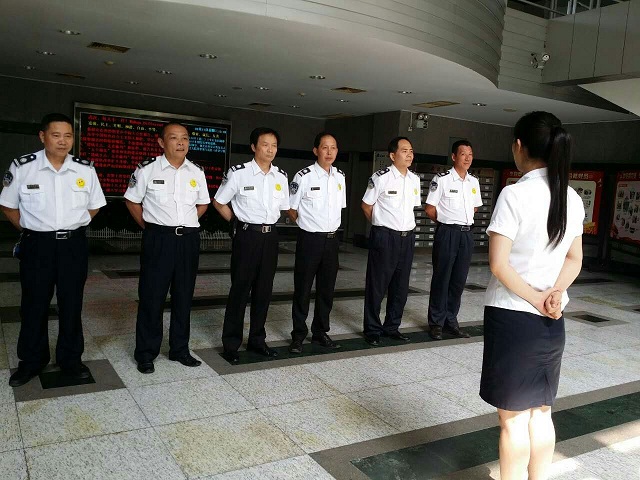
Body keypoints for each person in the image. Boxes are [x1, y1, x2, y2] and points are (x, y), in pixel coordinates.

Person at [480, 111, 584, 480]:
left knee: (512, 419)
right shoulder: (572, 197)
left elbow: (498, 264)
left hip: (513, 317)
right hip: (553, 321)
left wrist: (537, 298)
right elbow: (575, 258)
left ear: (519, 146)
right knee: (541, 412)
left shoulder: (514, 194)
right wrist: (554, 294)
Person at [0, 113, 106, 387]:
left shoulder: (84, 169)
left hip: (73, 245)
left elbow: (94, 206)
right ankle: (31, 361)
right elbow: (8, 206)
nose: (63, 141)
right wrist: (31, 229)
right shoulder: (24, 167)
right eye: (56, 135)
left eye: (68, 136)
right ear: (42, 136)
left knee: (72, 304)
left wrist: (73, 225)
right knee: (33, 304)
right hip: (38, 245)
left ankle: (70, 359)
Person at [124, 122, 210, 374]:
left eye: (185, 138)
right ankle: (146, 353)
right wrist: (151, 227)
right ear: (161, 142)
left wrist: (184, 224)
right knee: (152, 296)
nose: (181, 142)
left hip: (188, 240)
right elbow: (132, 201)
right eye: (174, 138)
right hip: (158, 239)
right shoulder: (147, 169)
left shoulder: (196, 171)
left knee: (184, 295)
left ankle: (179, 349)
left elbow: (203, 204)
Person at [213, 127, 290, 363]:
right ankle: (231, 344)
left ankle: (258, 340)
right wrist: (236, 222)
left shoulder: (281, 176)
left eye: (274, 145)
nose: (270, 149)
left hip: (270, 237)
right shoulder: (239, 173)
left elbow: (283, 208)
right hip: (247, 237)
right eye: (265, 144)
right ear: (254, 147)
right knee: (240, 290)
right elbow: (219, 202)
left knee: (263, 291)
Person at [287, 132, 347, 354]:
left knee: (326, 290)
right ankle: (298, 335)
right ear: (316, 151)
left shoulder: (340, 176)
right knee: (303, 288)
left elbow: (339, 207)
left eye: (333, 147)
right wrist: (307, 224)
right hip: (310, 239)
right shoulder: (304, 176)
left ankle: (320, 332)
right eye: (325, 147)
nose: (329, 152)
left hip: (332, 241)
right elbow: (291, 208)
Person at [361, 137, 421, 345]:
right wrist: (380, 224)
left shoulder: (414, 179)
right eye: (404, 151)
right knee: (377, 285)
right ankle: (372, 329)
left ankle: (392, 326)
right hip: (385, 237)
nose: (409, 154)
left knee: (400, 286)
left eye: (411, 151)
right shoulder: (381, 178)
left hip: (407, 238)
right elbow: (366, 205)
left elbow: (411, 208)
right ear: (393, 155)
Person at [425, 140, 483, 340]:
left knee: (458, 280)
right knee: (442, 279)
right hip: (447, 232)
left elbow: (475, 207)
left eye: (470, 154)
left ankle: (451, 321)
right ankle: (436, 323)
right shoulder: (442, 179)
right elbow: (430, 209)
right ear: (454, 157)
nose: (467, 158)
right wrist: (446, 223)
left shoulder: (473, 182)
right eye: (463, 154)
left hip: (466, 234)